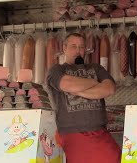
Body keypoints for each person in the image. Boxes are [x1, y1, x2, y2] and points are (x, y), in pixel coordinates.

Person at [46, 32, 121, 163]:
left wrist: (76, 90)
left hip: (100, 133)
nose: (78, 50)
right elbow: (66, 84)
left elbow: (109, 88)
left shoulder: (96, 68)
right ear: (64, 48)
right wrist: (94, 83)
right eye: (73, 46)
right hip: (72, 134)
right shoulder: (56, 70)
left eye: (81, 47)